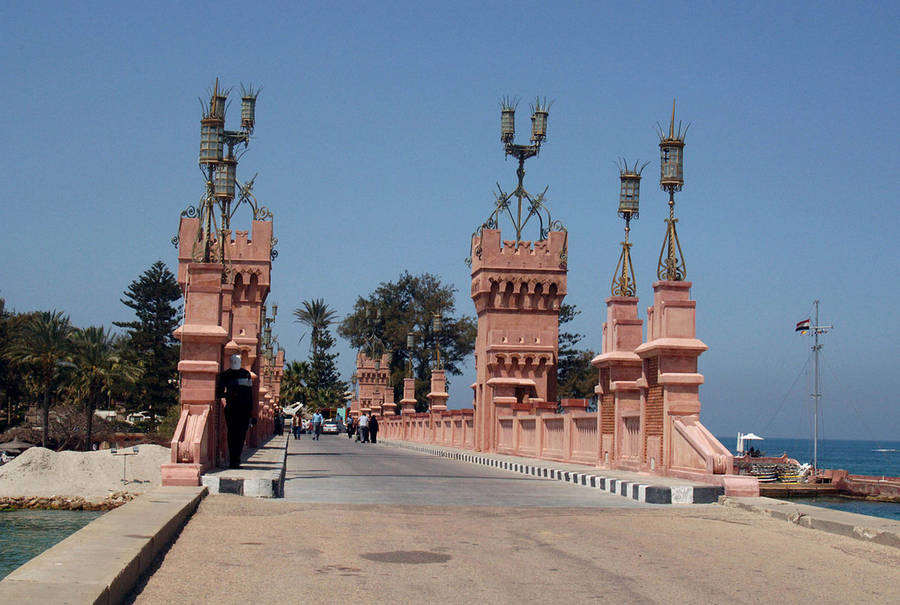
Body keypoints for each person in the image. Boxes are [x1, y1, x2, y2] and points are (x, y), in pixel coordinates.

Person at [216, 354, 254, 469]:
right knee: (233, 435)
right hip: (232, 408)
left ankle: (236, 460)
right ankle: (233, 461)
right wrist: (230, 394)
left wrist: (251, 412)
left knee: (240, 435)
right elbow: (219, 393)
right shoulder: (225, 375)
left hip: (243, 409)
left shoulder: (246, 374)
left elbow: (250, 393)